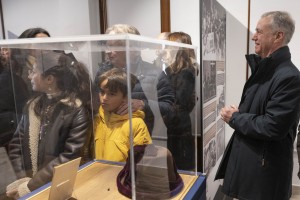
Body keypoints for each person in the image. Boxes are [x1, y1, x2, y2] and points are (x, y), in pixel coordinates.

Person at [215, 11, 300, 200]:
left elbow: (273, 126)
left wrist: (235, 117)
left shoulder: (288, 76)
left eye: (259, 31)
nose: (254, 36)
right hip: (254, 167)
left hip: (264, 175)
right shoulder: (266, 70)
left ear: (278, 36)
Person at [6, 50, 91, 199]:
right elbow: (16, 145)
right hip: (28, 184)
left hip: (57, 188)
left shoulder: (76, 111)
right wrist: (22, 180)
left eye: (33, 72)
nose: (29, 76)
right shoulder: (33, 105)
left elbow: (68, 157)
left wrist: (31, 185)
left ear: (49, 79)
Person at [94, 24, 175, 135]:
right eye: (108, 46)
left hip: (140, 139)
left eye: (115, 47)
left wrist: (143, 104)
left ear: (132, 48)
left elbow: (169, 107)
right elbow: (93, 103)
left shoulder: (155, 74)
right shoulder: (102, 72)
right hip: (107, 137)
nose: (108, 51)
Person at [94, 68, 152, 162]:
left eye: (111, 94)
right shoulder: (98, 119)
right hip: (99, 174)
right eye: (102, 92)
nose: (104, 98)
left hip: (122, 176)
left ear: (125, 97)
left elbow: (143, 163)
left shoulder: (136, 125)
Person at [164, 32, 198, 170]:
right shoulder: (176, 70)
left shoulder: (186, 72)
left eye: (168, 46)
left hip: (178, 124)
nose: (165, 49)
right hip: (174, 123)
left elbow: (179, 101)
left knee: (180, 163)